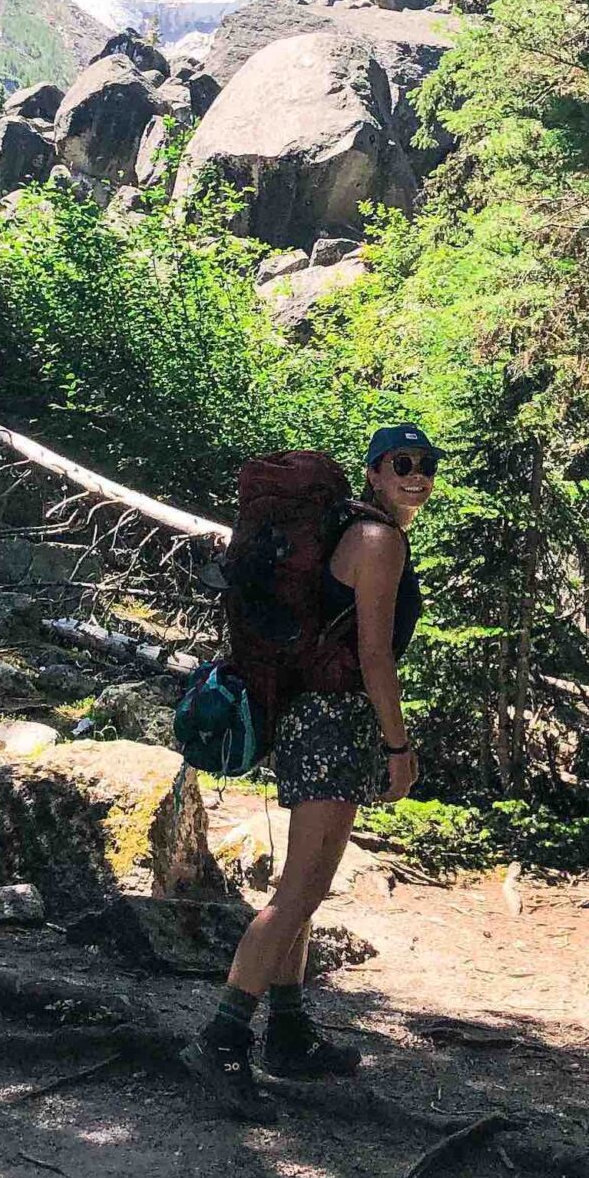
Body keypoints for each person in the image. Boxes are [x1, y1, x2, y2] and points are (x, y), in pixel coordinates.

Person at [184, 423, 438, 1116]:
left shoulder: (350, 530)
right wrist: (397, 744)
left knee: (310, 888)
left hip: (316, 716)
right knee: (296, 894)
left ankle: (288, 1030)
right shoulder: (379, 541)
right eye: (402, 464)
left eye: (426, 466)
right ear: (375, 472)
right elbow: (375, 656)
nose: (417, 476)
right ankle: (222, 1038)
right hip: (335, 721)